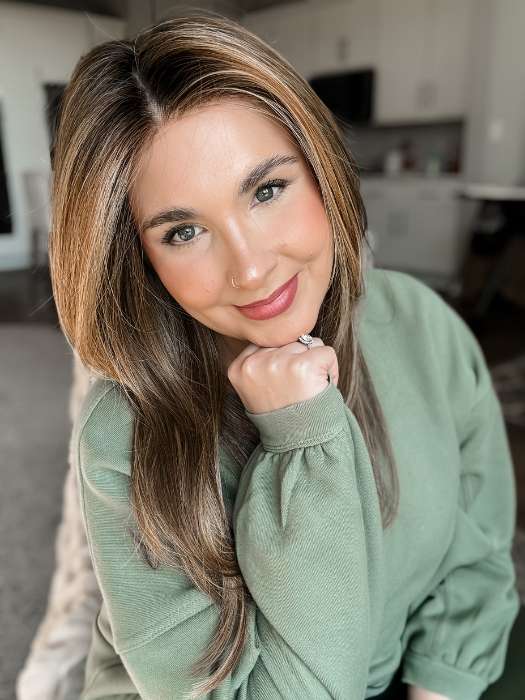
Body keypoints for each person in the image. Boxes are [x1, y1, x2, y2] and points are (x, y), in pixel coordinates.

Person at [47, 11, 520, 700]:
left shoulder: (420, 323)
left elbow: (477, 543)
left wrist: (439, 685)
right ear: (137, 257)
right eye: (183, 232)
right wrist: (302, 439)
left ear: (321, 169)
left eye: (266, 190)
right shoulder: (126, 432)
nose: (250, 269)